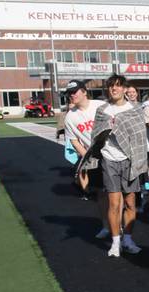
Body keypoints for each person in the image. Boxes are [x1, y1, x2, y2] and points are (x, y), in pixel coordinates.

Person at [92, 74, 149, 257]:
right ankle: (115, 242)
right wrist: (107, 129)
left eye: (118, 86)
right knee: (113, 202)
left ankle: (128, 239)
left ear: (124, 89)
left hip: (130, 160)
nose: (114, 89)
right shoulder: (103, 110)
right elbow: (95, 135)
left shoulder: (135, 109)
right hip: (109, 159)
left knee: (130, 202)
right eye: (111, 86)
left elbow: (139, 137)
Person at [62, 80, 111, 238]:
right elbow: (74, 140)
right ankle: (106, 226)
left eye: (75, 92)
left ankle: (119, 225)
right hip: (95, 158)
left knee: (117, 193)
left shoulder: (100, 106)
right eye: (69, 93)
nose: (72, 95)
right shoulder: (70, 117)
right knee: (102, 194)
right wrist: (87, 156)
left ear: (84, 91)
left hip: (113, 154)